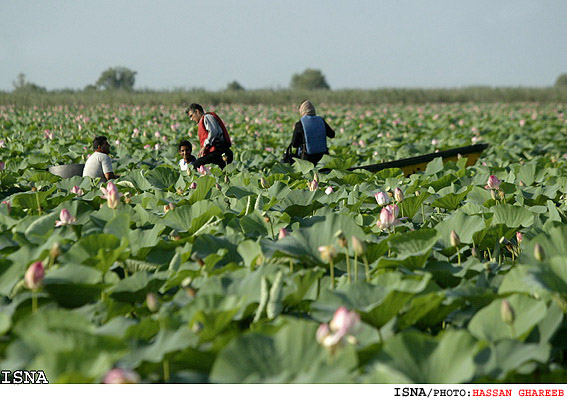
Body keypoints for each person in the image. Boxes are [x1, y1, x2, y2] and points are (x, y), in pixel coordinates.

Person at [185, 103, 233, 169]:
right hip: (216, 152)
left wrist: (204, 146)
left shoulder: (207, 117)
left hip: (220, 152)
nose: (191, 119)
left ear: (197, 111)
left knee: (196, 165)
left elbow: (213, 132)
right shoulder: (204, 119)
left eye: (191, 116)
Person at [290, 100, 335, 166]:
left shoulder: (299, 124)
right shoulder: (321, 120)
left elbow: (294, 144)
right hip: (323, 157)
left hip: (307, 160)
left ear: (302, 111)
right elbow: (332, 135)